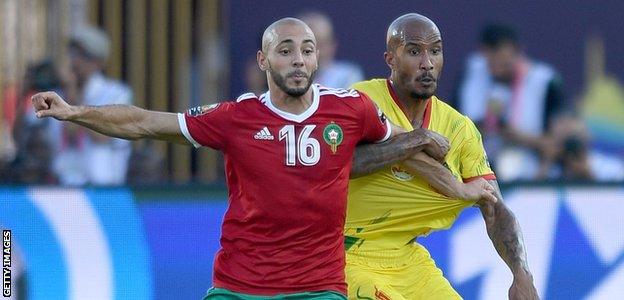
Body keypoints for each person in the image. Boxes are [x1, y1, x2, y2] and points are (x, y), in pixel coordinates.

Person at [32, 17, 455, 299]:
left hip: (319, 286)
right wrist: (74, 112)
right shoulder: (236, 117)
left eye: (307, 50)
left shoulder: (351, 108)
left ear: (318, 58)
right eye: (285, 50)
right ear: (263, 60)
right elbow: (144, 122)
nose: (298, 60)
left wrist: (430, 147)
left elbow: (397, 138)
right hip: (240, 284)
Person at [344, 14, 539, 299]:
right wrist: (416, 140)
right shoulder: (360, 100)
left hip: (408, 259)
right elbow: (343, 164)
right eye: (414, 52)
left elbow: (494, 208)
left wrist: (521, 273)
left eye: (435, 51)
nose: (427, 63)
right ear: (390, 59)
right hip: (345, 253)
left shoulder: (459, 129)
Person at [453, 23, 565, 181]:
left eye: (504, 64)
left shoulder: (545, 83)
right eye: (491, 64)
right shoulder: (471, 74)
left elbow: (556, 145)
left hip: (531, 171)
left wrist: (516, 136)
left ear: (518, 53)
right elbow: (452, 130)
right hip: (477, 170)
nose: (497, 70)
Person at [53, 25, 133, 185]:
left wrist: (74, 100)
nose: (74, 62)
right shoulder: (58, 93)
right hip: (63, 185)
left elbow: (102, 137)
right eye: (72, 54)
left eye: (82, 56)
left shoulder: (116, 93)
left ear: (98, 62)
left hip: (102, 185)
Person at [297, 11, 365, 88]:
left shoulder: (347, 76)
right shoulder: (285, 77)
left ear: (332, 45)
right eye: (307, 47)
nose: (315, 53)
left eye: (320, 44)